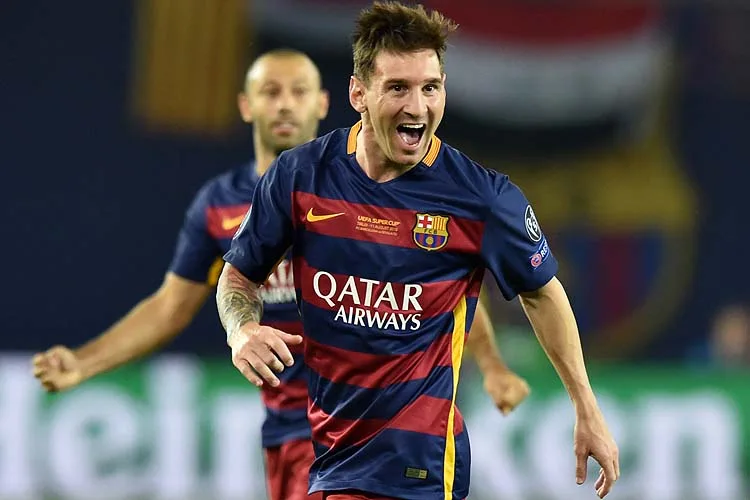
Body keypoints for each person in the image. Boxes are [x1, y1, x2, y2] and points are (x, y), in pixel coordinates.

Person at [31, 48, 529, 500]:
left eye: (299, 92)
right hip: (290, 430)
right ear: (246, 106)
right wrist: (85, 362)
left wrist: (491, 365)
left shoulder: (364, 193)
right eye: (271, 92)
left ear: (324, 103)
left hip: (365, 429)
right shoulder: (219, 205)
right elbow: (169, 308)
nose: (286, 105)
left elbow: (437, 291)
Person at [216, 3, 619, 500]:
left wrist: (587, 408)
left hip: (421, 469)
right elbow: (238, 275)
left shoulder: (480, 198)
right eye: (398, 88)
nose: (417, 107)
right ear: (358, 93)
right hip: (331, 462)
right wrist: (241, 331)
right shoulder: (301, 178)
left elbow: (542, 293)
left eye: (431, 87)